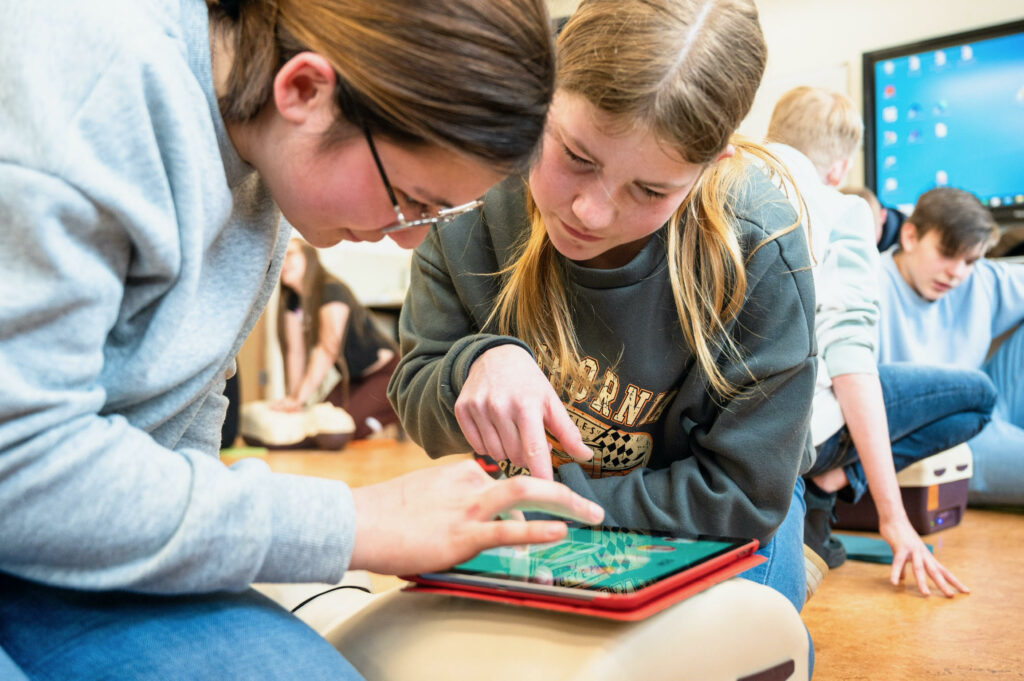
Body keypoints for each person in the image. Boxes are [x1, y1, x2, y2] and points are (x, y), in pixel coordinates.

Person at [0, 1, 606, 679]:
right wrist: (350, 523)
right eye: (411, 198)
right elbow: (16, 462)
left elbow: (175, 424)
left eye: (440, 213)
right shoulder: (92, 90)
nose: (410, 238)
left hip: (79, 542)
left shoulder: (266, 151)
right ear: (305, 91)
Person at [389, 0, 819, 618]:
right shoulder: (470, 182)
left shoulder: (760, 245)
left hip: (712, 520)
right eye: (576, 157)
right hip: (539, 509)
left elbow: (743, 496)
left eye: (649, 190)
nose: (590, 211)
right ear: (543, 98)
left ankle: (801, 553)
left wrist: (545, 503)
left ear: (707, 171)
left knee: (741, 643)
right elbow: (416, 391)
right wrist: (473, 365)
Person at [765, 86, 993, 596]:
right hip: (801, 430)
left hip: (730, 424)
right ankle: (828, 484)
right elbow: (851, 369)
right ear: (840, 169)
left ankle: (828, 486)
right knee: (979, 397)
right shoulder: (843, 213)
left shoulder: (724, 191)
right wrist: (893, 516)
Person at [879, 187, 1024, 506]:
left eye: (970, 260)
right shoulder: (870, 287)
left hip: (984, 405)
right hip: (939, 437)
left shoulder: (979, 278)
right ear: (910, 236)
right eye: (946, 254)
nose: (957, 273)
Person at [274, 237, 400, 440]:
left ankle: (394, 411)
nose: (283, 262)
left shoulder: (330, 289)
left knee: (343, 429)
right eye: (279, 257)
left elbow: (327, 349)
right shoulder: (293, 302)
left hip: (386, 373)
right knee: (319, 425)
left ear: (309, 256)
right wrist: (293, 401)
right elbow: (295, 352)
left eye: (290, 255)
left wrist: (298, 398)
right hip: (353, 379)